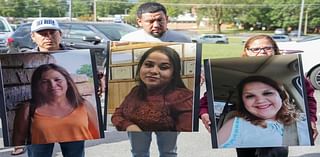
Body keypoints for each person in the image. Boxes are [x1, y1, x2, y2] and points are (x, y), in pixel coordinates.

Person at [200, 35, 318, 156]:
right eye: (255, 49)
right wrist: (204, 113)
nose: (262, 52)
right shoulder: (235, 124)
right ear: (246, 51)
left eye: (267, 48)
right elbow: (207, 99)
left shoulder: (296, 125)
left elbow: (308, 98)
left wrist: (311, 120)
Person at [120, 2, 191, 157]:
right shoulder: (128, 39)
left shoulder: (183, 39)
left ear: (167, 18)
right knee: (139, 152)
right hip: (138, 114)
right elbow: (119, 113)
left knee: (169, 152)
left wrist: (201, 74)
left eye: (160, 20)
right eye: (150, 21)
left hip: (169, 114)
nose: (156, 25)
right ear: (139, 22)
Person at [11, 18, 87, 157]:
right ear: (33, 37)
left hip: (71, 123)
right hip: (39, 128)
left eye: (52, 32)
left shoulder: (79, 56)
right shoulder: (24, 58)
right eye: (43, 33)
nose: (48, 37)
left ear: (60, 34)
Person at [12, 63, 100, 156]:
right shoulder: (28, 108)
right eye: (45, 81)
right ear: (37, 86)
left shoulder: (84, 105)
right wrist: (18, 147)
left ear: (68, 82)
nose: (52, 85)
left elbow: (96, 132)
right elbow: (19, 137)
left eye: (57, 80)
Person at [111, 46, 193, 132]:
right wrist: (129, 126)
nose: (154, 71)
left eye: (164, 67)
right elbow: (117, 115)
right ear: (140, 67)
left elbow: (186, 136)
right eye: (148, 65)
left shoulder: (184, 98)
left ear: (173, 73)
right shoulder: (136, 91)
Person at [218, 75, 310, 147]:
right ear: (243, 102)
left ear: (281, 96)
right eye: (250, 96)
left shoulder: (304, 119)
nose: (260, 100)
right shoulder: (236, 124)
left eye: (268, 93)